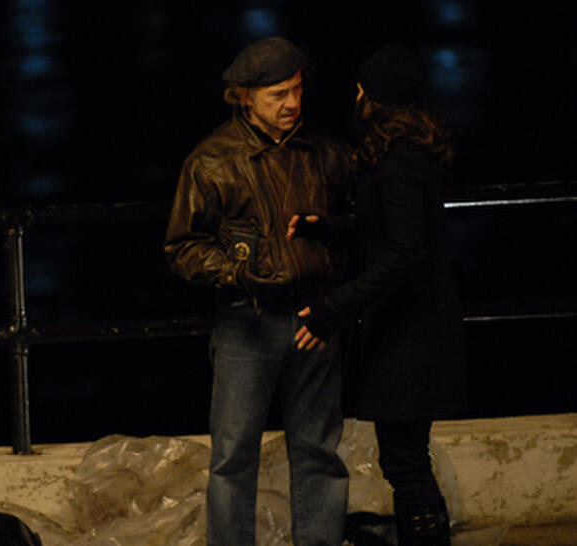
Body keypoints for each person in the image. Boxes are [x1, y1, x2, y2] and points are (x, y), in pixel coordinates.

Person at [164, 36, 350, 545]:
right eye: (278, 96)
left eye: (296, 91)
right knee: (232, 456)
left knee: (318, 451)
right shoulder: (212, 162)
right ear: (244, 96)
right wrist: (238, 274)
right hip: (246, 323)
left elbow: (357, 232)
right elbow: (182, 246)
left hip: (316, 319)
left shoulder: (328, 155)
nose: (292, 103)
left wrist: (335, 303)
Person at [287, 44, 467, 545]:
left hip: (412, 335)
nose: (357, 98)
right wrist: (327, 229)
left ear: (376, 98)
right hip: (417, 329)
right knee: (405, 455)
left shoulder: (396, 163)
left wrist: (332, 310)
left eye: (361, 90)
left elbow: (405, 251)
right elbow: (387, 229)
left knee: (405, 459)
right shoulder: (410, 155)